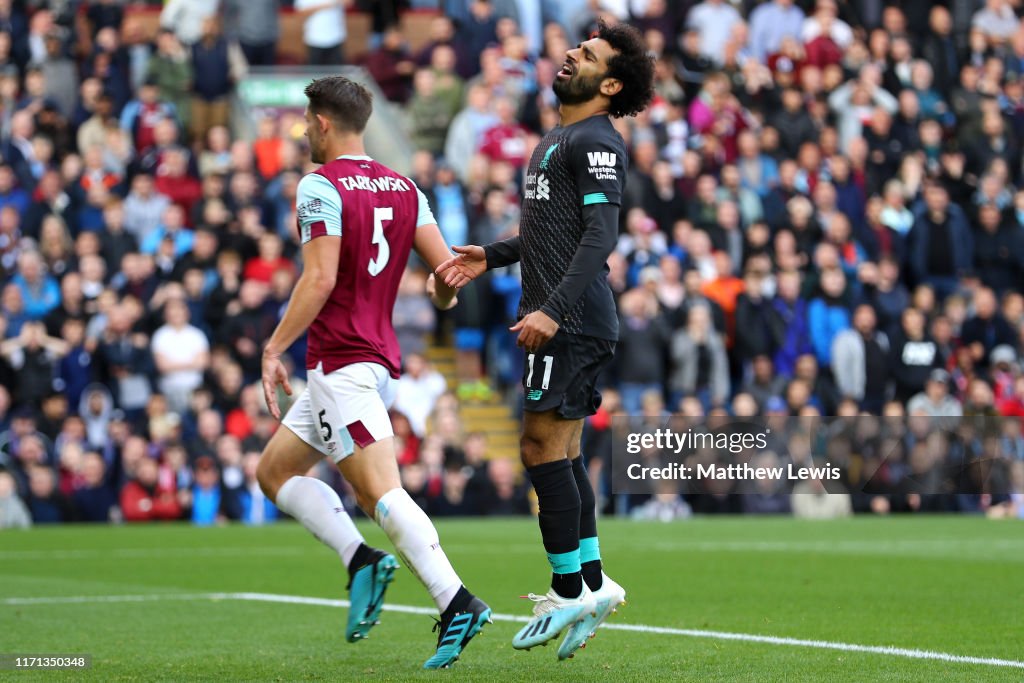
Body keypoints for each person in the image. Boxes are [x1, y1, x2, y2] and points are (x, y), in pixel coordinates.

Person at [255, 76, 490, 670]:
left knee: (380, 494)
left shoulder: (319, 185)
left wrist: (274, 347)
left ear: (325, 123)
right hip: (371, 361)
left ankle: (456, 600)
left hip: (341, 365)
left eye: (308, 121)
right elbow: (449, 280)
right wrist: (439, 293)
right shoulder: (405, 187)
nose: (305, 130)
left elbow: (319, 278)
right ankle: (361, 561)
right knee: (274, 473)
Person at [436, 21, 654, 659]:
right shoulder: (559, 139)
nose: (570, 55)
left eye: (587, 55)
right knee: (561, 451)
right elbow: (550, 230)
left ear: (609, 84)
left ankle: (565, 588)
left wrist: (554, 311)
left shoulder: (595, 140)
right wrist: (493, 254)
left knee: (536, 449)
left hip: (571, 318)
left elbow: (599, 236)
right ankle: (590, 580)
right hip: (569, 315)